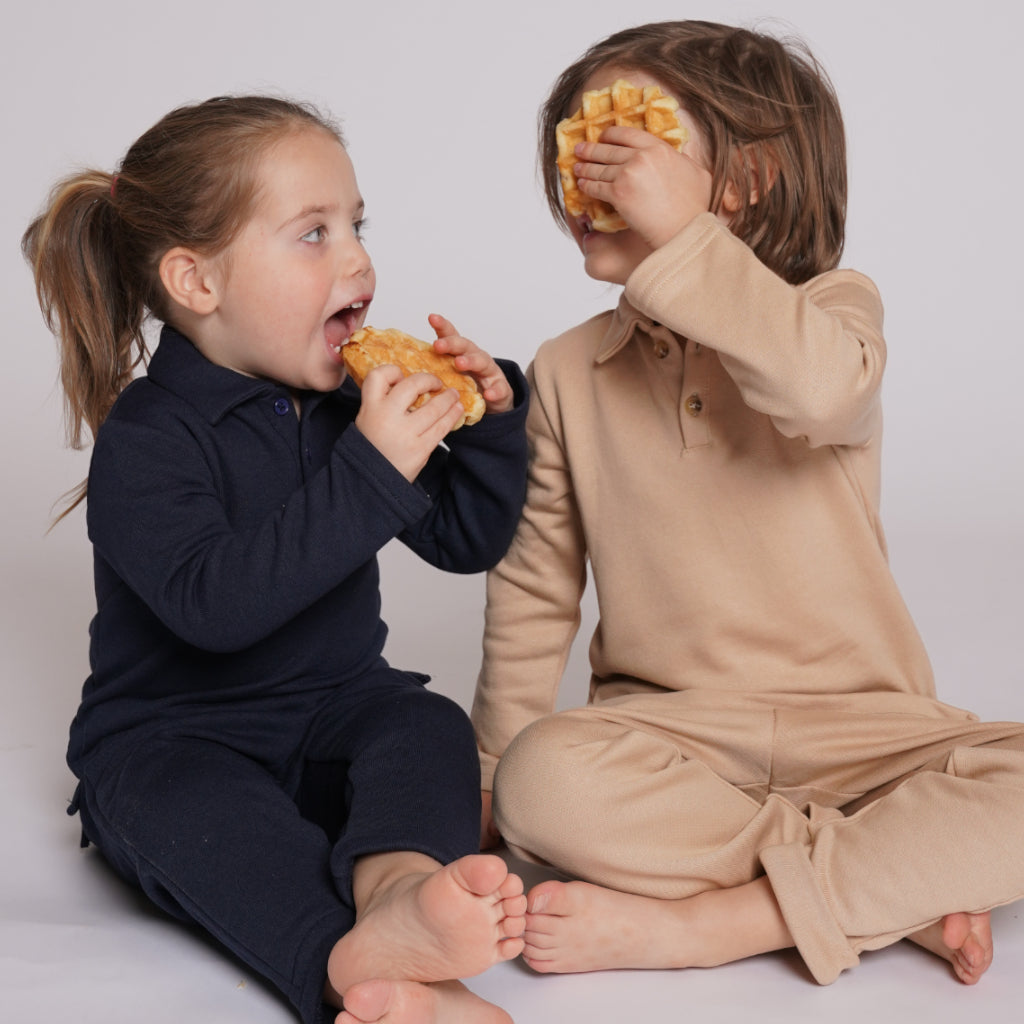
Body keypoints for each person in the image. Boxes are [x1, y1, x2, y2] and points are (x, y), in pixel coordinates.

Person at [472, 20, 1024, 989]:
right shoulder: (565, 369)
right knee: (540, 780)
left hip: (869, 730)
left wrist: (686, 243)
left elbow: (822, 394)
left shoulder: (832, 311)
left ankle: (725, 920)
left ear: (743, 183)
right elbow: (533, 590)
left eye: (629, 139)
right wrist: (486, 777)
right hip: (674, 735)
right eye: (572, 139)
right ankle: (886, 886)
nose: (583, 165)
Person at [23, 95, 529, 1024]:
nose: (359, 261)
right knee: (193, 816)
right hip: (179, 737)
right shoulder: (148, 439)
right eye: (313, 234)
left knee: (423, 728)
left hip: (336, 712)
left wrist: (490, 430)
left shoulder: (344, 405)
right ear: (197, 282)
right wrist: (372, 468)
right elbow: (216, 606)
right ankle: (347, 964)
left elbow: (466, 541)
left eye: (357, 226)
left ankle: (399, 896)